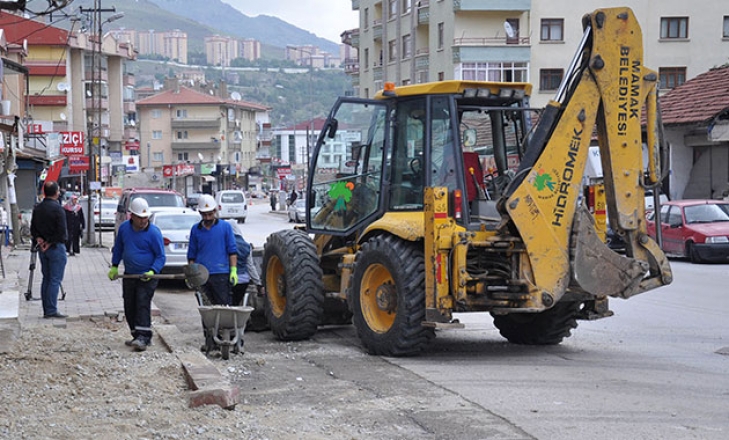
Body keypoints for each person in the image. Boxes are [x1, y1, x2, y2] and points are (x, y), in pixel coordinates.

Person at [108, 198, 166, 352]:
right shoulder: (125, 229)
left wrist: (153, 270)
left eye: (145, 217)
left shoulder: (153, 233)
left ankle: (144, 337)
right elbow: (119, 247)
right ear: (131, 216)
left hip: (147, 276)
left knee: (142, 303)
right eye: (140, 218)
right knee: (129, 305)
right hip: (130, 275)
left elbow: (161, 256)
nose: (143, 221)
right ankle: (136, 334)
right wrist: (114, 266)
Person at [187, 194, 237, 306]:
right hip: (202, 274)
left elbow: (232, 251)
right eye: (204, 215)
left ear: (215, 211)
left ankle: (221, 324)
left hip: (220, 274)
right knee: (206, 308)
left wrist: (233, 270)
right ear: (200, 213)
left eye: (210, 214)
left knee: (223, 307)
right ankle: (208, 324)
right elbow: (192, 254)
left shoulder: (225, 227)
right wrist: (191, 272)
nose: (208, 217)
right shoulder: (196, 230)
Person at [30, 181, 68, 319]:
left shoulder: (38, 208)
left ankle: (46, 308)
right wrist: (49, 242)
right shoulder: (58, 209)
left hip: (42, 248)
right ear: (57, 192)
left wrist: (40, 240)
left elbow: (33, 228)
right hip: (55, 247)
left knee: (46, 278)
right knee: (55, 279)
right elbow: (62, 232)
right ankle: (51, 309)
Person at [227, 220, 252, 306]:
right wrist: (258, 283)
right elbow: (250, 266)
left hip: (227, 279)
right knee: (236, 304)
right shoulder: (246, 245)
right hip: (243, 280)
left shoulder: (225, 243)